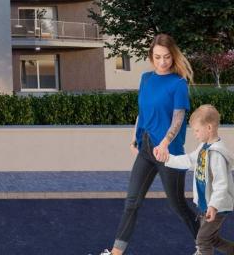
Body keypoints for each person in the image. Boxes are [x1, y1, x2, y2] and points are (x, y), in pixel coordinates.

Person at [99, 34, 199, 255]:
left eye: (167, 57)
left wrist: (164, 144)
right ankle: (116, 252)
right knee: (132, 201)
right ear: (151, 57)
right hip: (146, 148)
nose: (162, 62)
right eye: (158, 57)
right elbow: (142, 112)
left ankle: (205, 244)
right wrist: (135, 137)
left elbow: (178, 119)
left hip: (169, 153)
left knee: (178, 205)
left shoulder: (178, 84)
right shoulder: (146, 79)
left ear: (173, 56)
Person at [161, 104, 234, 255]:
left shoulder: (216, 154)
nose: (195, 134)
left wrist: (214, 206)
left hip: (216, 207)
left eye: (197, 130)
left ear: (209, 128)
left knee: (202, 240)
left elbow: (221, 184)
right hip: (205, 204)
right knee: (211, 239)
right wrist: (168, 159)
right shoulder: (203, 147)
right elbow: (189, 160)